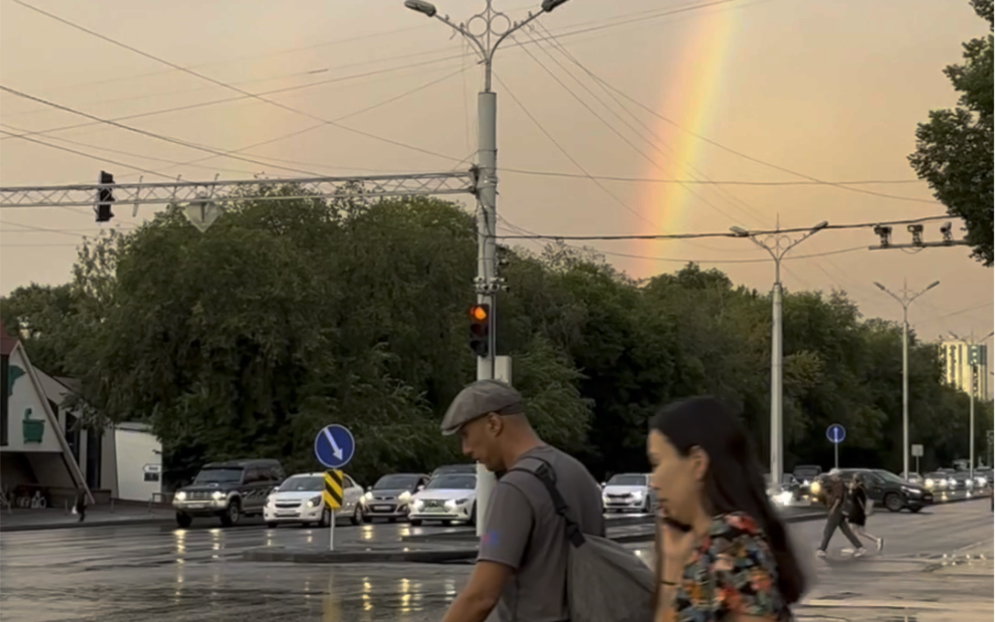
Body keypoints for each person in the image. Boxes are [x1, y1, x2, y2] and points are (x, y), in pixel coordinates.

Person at [438, 379, 605, 622]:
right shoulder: (578, 473)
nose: (465, 449)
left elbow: (480, 597)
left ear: (493, 423)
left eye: (466, 434)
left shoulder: (514, 488)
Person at [649, 396, 807, 622]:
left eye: (657, 463)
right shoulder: (702, 541)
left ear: (697, 463)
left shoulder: (732, 538)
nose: (653, 481)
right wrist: (672, 563)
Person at [816, 474, 864, 558]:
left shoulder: (838, 485)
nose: (831, 478)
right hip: (840, 510)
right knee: (846, 531)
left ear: (836, 476)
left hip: (837, 510)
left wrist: (832, 509)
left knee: (828, 530)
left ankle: (822, 549)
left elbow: (838, 498)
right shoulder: (835, 484)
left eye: (832, 476)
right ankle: (860, 547)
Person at [844, 476, 883, 553]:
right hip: (860, 513)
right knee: (861, 531)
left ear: (855, 482)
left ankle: (856, 547)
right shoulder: (862, 489)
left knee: (852, 531)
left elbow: (852, 498)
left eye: (852, 482)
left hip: (856, 512)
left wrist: (850, 490)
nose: (850, 483)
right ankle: (877, 540)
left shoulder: (857, 490)